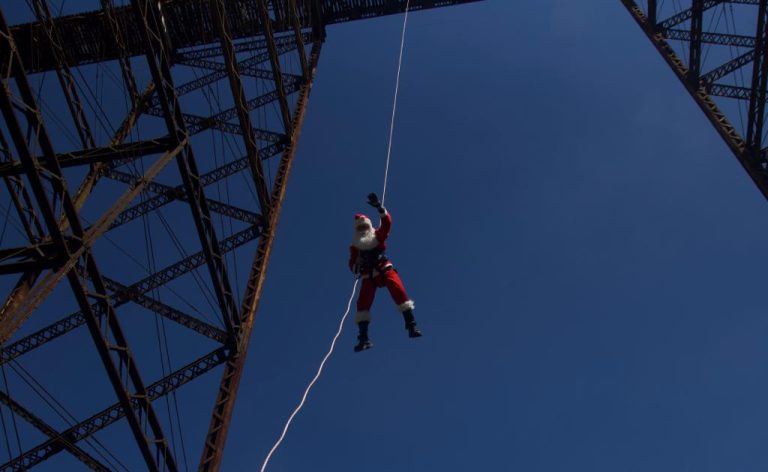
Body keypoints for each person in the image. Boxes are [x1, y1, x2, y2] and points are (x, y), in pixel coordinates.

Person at [349, 193, 422, 352]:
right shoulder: (355, 246)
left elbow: (386, 224)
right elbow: (352, 263)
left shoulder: (376, 236)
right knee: (362, 303)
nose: (362, 230)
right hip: (369, 274)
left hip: (384, 268)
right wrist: (357, 266)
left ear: (369, 226)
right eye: (359, 228)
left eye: (364, 227)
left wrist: (380, 208)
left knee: (398, 290)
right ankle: (363, 338)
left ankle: (411, 325)